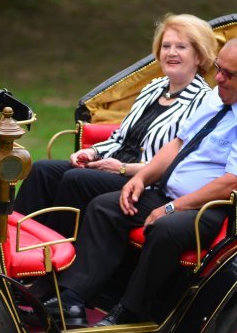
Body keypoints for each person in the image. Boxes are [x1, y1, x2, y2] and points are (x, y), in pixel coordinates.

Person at [47, 36, 237, 327]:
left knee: (165, 228)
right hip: (170, 192)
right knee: (106, 207)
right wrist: (140, 178)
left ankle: (131, 312)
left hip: (213, 209)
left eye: (228, 74)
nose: (218, 78)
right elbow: (178, 143)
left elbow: (232, 183)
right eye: (218, 68)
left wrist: (172, 208)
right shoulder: (220, 95)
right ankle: (73, 298)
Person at [13, 14, 216, 239]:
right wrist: (92, 152)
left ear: (199, 55)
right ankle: (14, 243)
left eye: (181, 47)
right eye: (166, 46)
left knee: (77, 179)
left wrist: (121, 168)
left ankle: (53, 254)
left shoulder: (204, 102)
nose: (171, 52)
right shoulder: (154, 87)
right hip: (110, 166)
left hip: (144, 182)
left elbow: (180, 164)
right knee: (43, 170)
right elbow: (120, 137)